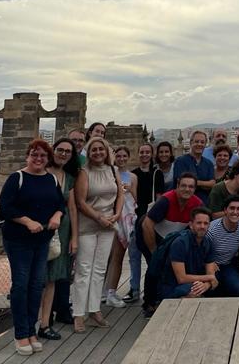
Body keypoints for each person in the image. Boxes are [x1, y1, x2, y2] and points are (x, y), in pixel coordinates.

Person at [0, 139, 65, 355]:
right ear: (27, 156)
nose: (38, 159)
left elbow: (60, 204)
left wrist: (57, 215)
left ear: (48, 159)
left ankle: (32, 331)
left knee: (36, 285)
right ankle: (21, 335)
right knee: (20, 286)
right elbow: (5, 207)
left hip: (42, 240)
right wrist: (27, 221)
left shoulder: (51, 179)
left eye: (43, 156)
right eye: (34, 155)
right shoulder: (16, 178)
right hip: (18, 240)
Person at [72, 137, 122, 333]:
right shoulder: (84, 172)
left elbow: (119, 194)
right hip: (89, 224)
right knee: (84, 269)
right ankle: (78, 313)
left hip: (108, 224)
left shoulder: (113, 170)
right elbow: (80, 201)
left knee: (100, 268)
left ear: (107, 151)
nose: (98, 152)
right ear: (88, 152)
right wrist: (99, 218)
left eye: (101, 149)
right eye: (94, 150)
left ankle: (94, 310)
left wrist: (116, 215)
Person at [139, 172, 202, 313]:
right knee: (154, 266)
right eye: (184, 186)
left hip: (170, 236)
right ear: (177, 186)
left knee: (168, 268)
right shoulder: (166, 200)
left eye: (191, 187)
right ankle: (149, 304)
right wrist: (154, 250)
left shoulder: (197, 203)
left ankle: (164, 299)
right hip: (150, 233)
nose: (187, 189)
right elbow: (147, 224)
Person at [38, 138, 79, 341]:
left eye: (68, 152)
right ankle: (34, 322)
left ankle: (45, 323)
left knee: (53, 277)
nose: (63, 154)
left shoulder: (69, 177)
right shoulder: (41, 171)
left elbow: (72, 208)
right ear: (53, 151)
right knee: (37, 277)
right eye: (60, 150)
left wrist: (74, 237)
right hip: (39, 230)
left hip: (61, 232)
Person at [158, 207, 218, 299]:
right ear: (191, 225)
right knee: (195, 291)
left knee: (216, 284)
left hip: (194, 283)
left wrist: (206, 285)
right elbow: (181, 278)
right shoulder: (180, 243)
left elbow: (210, 274)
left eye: (206, 223)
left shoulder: (208, 242)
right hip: (174, 287)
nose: (202, 226)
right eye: (199, 223)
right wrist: (209, 279)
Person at [104, 147, 138, 308]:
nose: (122, 158)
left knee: (118, 256)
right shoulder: (109, 173)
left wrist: (130, 190)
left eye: (125, 155)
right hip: (110, 216)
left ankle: (111, 291)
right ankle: (103, 291)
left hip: (125, 218)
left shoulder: (133, 177)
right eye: (119, 155)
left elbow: (135, 199)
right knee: (106, 257)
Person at [207, 196, 239, 296]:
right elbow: (202, 250)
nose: (235, 212)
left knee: (238, 290)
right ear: (225, 210)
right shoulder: (212, 229)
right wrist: (210, 263)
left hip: (228, 264)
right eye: (232, 208)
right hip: (211, 265)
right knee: (212, 290)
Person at [173, 130, 215, 203]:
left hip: (203, 204)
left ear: (205, 144)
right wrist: (204, 184)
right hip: (184, 203)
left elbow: (212, 184)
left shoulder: (208, 163)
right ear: (190, 143)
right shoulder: (181, 161)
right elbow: (181, 183)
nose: (199, 144)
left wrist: (194, 183)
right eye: (196, 141)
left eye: (202, 142)